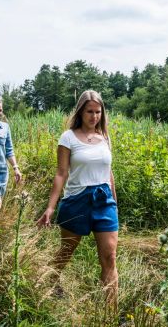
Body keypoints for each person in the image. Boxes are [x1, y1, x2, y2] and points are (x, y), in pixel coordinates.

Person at [37, 90, 119, 305]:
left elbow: (109, 173)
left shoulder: (105, 138)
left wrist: (115, 205)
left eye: (98, 112)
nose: (94, 116)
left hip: (104, 202)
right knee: (66, 252)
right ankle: (49, 283)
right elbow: (61, 174)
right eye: (90, 112)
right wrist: (50, 208)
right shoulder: (68, 137)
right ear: (81, 112)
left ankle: (111, 314)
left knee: (109, 258)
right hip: (77, 201)